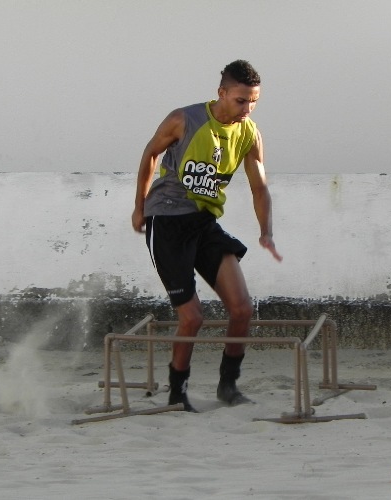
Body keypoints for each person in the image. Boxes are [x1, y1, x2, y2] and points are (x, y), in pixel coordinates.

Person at [131, 60, 282, 412]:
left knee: (243, 309)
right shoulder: (184, 119)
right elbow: (150, 153)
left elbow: (259, 187)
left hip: (204, 222)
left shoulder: (249, 134)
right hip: (167, 221)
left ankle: (228, 386)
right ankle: (177, 392)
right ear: (222, 93)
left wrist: (267, 233)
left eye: (254, 101)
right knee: (193, 317)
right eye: (242, 100)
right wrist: (139, 205)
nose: (248, 108)